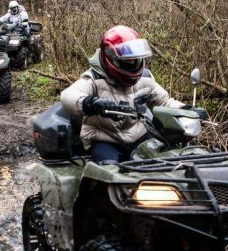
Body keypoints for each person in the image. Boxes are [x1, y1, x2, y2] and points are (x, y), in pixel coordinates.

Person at [61, 25, 188, 165]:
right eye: (126, 61)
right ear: (110, 58)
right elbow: (68, 95)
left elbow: (164, 101)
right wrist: (91, 103)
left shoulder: (145, 77)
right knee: (108, 173)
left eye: (134, 60)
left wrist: (186, 110)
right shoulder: (93, 78)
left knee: (163, 164)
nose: (132, 63)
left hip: (139, 136)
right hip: (105, 139)